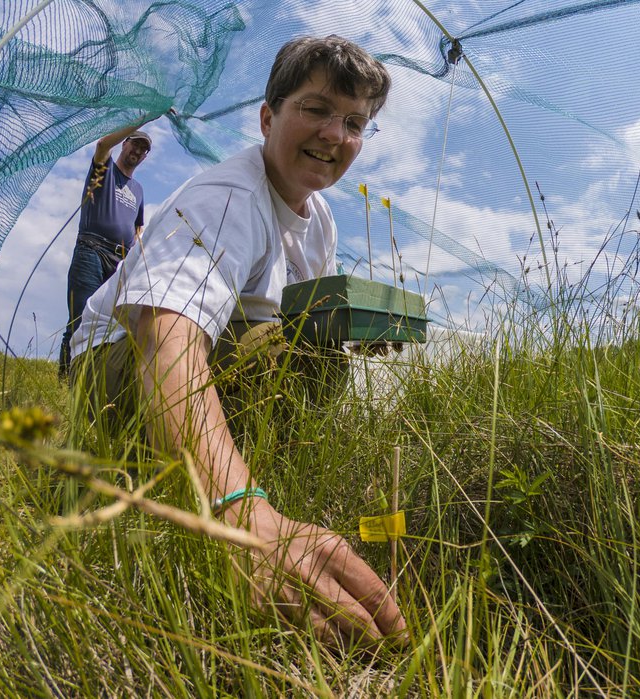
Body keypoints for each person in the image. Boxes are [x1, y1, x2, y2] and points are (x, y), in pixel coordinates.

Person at [69, 35, 406, 647]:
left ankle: (234, 467)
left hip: (200, 362)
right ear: (268, 117)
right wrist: (241, 514)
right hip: (107, 368)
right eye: (317, 109)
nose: (335, 134)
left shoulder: (320, 218)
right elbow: (161, 334)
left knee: (312, 351)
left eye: (356, 122)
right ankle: (194, 485)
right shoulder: (228, 197)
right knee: (271, 350)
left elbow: (303, 325)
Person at [58, 121, 162, 377]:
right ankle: (66, 377)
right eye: (134, 144)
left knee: (110, 324)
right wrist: (145, 118)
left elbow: (138, 227)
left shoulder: (138, 190)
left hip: (118, 263)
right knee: (81, 319)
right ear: (124, 143)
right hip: (91, 250)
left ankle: (96, 376)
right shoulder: (103, 169)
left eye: (143, 149)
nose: (137, 151)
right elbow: (103, 144)